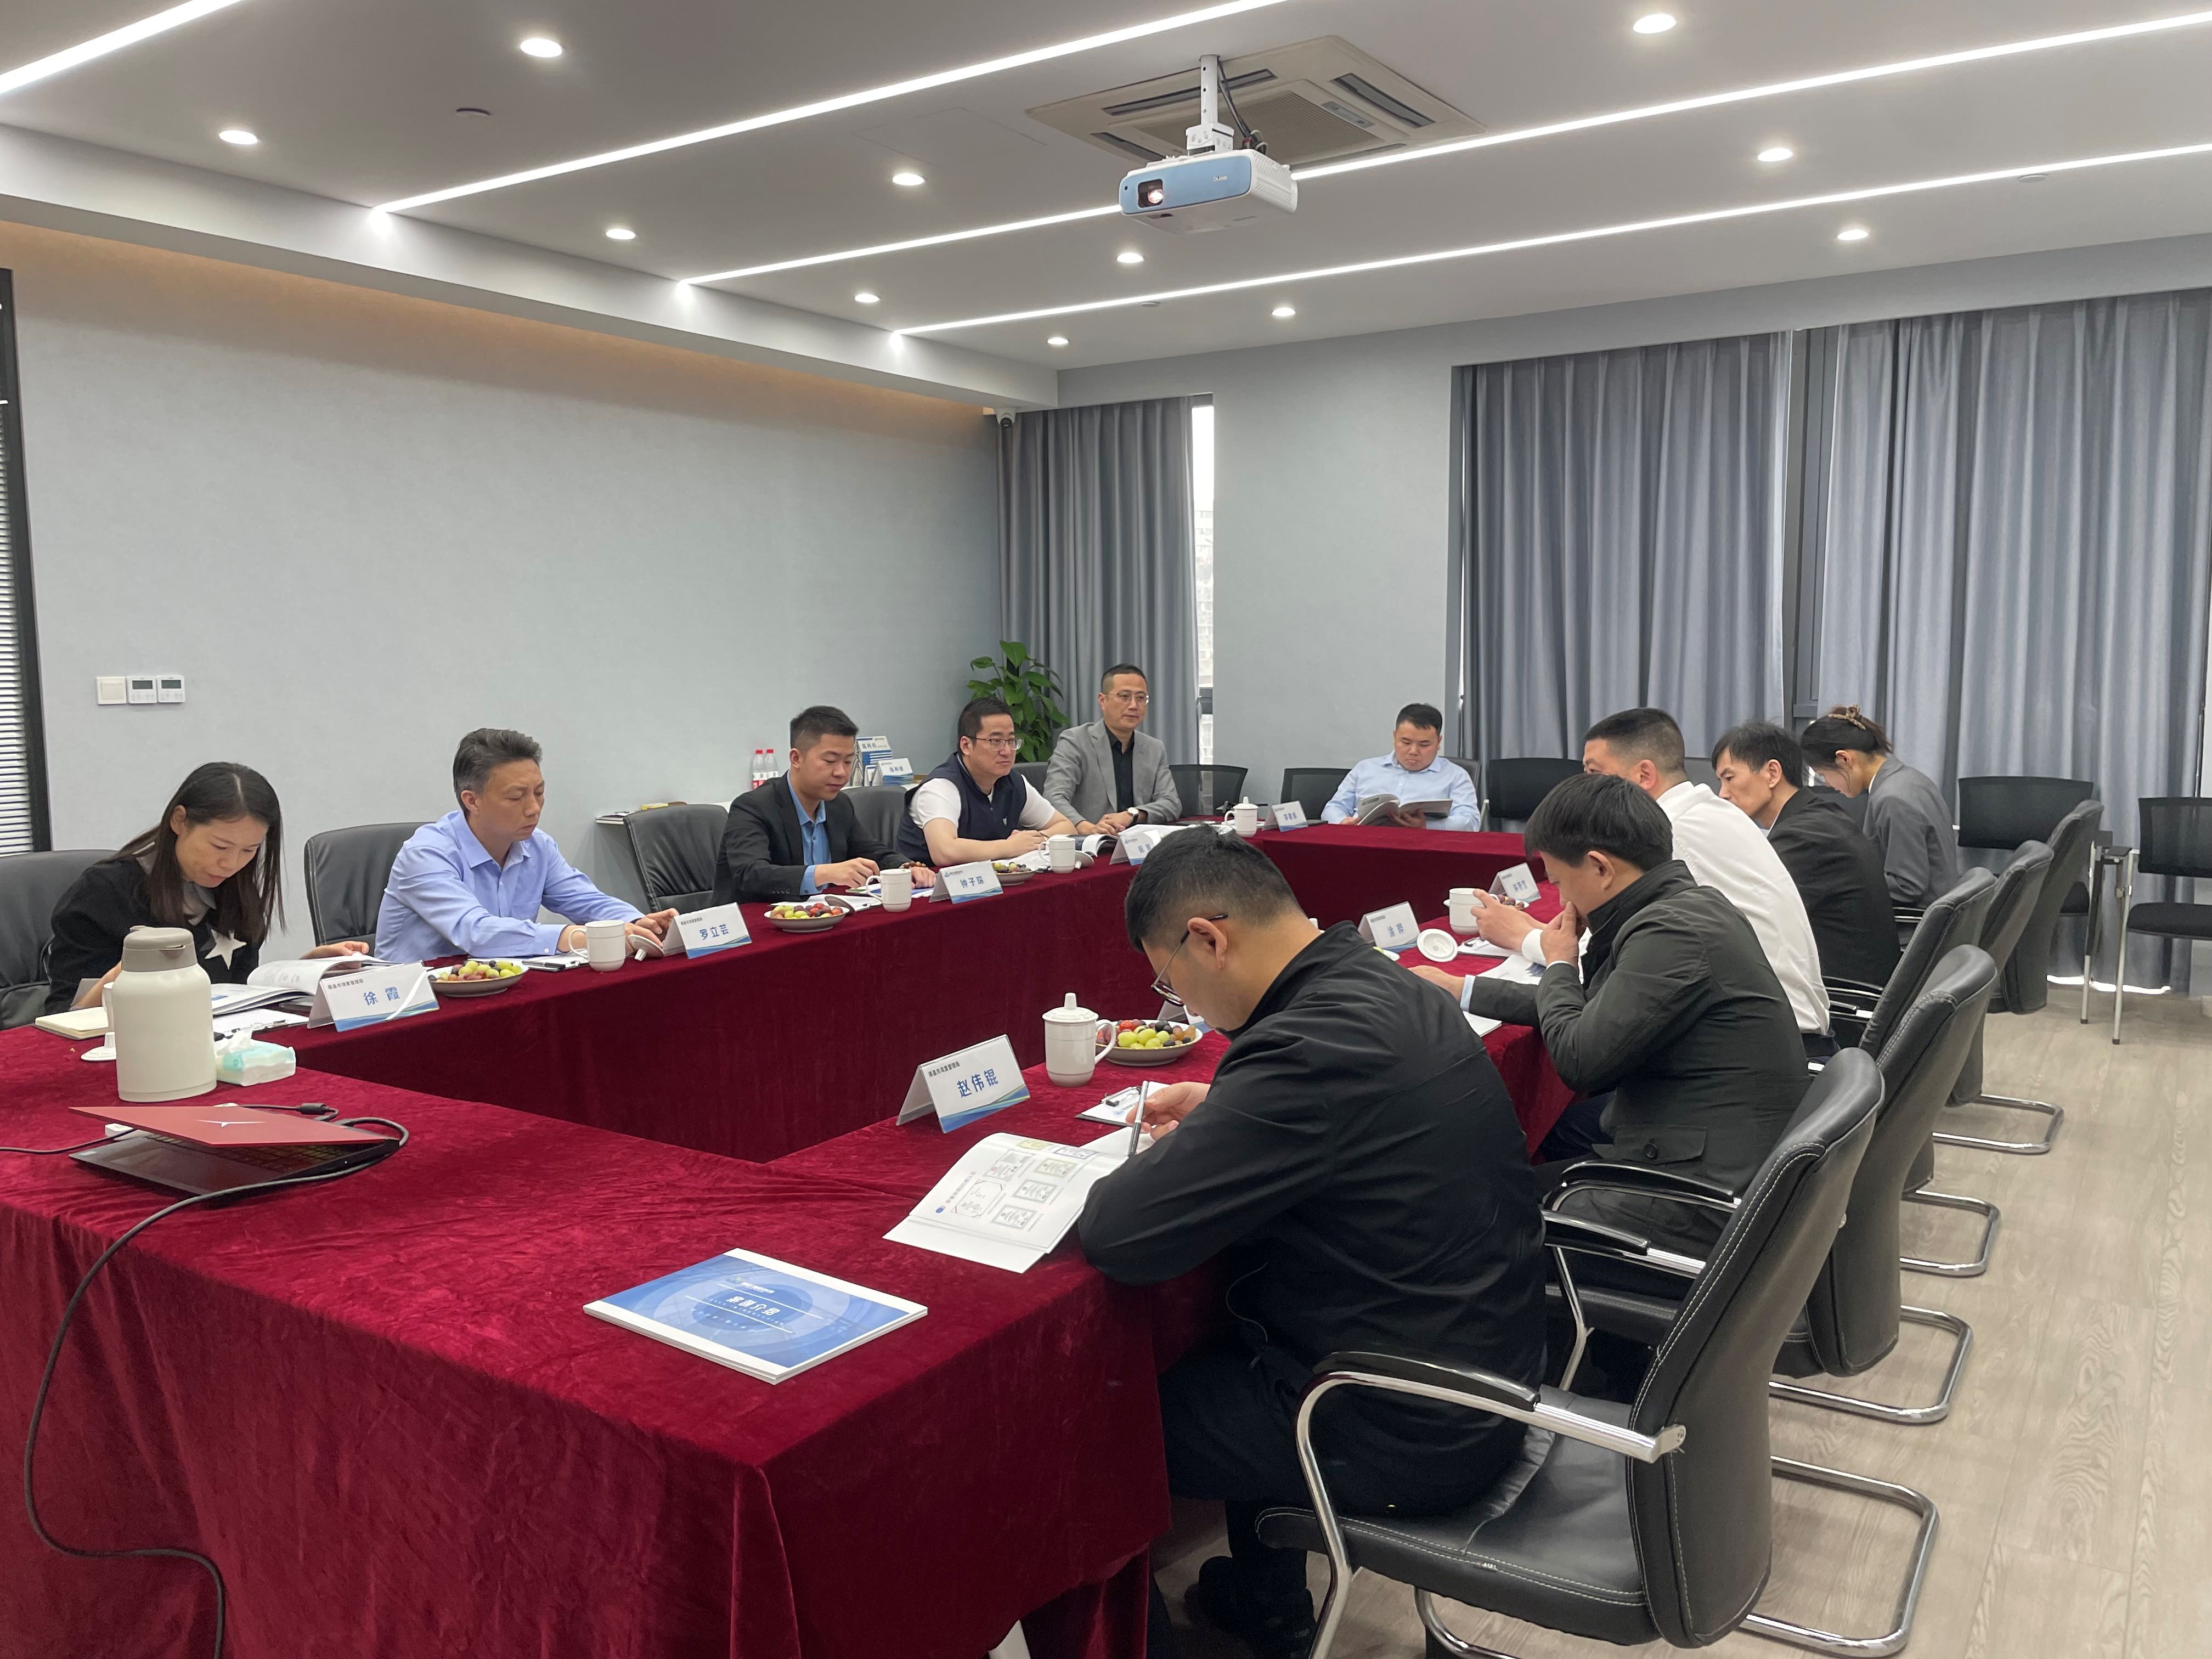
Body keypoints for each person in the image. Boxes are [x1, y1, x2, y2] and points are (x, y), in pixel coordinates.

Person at [1079, 832, 1545, 1659]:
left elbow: (1122, 1236)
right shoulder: (1386, 985)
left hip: (1398, 1423)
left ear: (1208, 939)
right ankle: (1268, 1606)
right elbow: (1341, 1119)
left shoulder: (1302, 1050)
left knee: (1084, 1427)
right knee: (1237, 1340)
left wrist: (1230, 1122)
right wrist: (1230, 1110)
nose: (1179, 1002)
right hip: (1487, 1372)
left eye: (1169, 979)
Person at [1414, 774, 1807, 1256]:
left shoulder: (1672, 933)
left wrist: (1560, 961)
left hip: (1703, 1196)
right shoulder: (1686, 906)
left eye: (1561, 882)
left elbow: (1581, 1060)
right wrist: (1462, 989)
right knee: (1515, 1171)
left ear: (1600, 867)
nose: (1561, 900)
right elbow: (1592, 1005)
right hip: (1705, 1153)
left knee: (1471, 1214)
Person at [1468, 707, 1830, 1051]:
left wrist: (1521, 937)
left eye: (1594, 774)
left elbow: (1605, 969)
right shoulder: (1708, 812)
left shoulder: (1672, 834)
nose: (1586, 788)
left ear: (1644, 776)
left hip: (1761, 1039)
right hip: (1774, 1020)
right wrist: (1540, 933)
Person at [45, 763, 366, 1014]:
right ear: (179, 821)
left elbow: (239, 993)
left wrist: (304, 973)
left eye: (249, 850)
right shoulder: (106, 891)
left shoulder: (235, 888)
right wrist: (128, 975)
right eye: (219, 846)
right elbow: (65, 1017)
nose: (231, 864)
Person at [376, 727, 674, 961]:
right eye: (516, 797)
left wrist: (637, 923)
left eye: (539, 793)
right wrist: (579, 937)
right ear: (472, 801)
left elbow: (586, 900)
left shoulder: (537, 845)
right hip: (416, 1000)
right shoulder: (426, 854)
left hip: (497, 985)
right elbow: (476, 932)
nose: (534, 808)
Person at [1711, 720, 1900, 988]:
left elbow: (1740, 918)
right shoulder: (1819, 816)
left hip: (1843, 996)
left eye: (1729, 778)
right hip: (1856, 980)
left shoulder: (1802, 838)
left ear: (1772, 773)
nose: (1722, 794)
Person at [714, 705, 936, 904]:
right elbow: (751, 874)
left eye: (848, 761)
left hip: (825, 919)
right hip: (756, 925)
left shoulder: (839, 805)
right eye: (830, 761)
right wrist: (824, 873)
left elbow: (873, 852)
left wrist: (905, 868)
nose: (841, 772)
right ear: (796, 759)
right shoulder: (753, 807)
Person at [1799, 705, 1961, 909]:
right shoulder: (1908, 779)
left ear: (1844, 759)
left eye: (1823, 775)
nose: (1828, 784)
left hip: (1914, 918)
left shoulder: (1893, 799)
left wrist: (1841, 881)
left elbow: (1907, 885)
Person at [893, 696, 1076, 867]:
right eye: (996, 741)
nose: (1007, 751)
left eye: (1011, 741)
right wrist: (1010, 847)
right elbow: (945, 852)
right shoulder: (940, 787)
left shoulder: (1013, 782)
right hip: (928, 885)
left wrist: (1037, 839)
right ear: (966, 745)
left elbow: (1067, 827)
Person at [1041, 662, 1182, 835]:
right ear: (1103, 701)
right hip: (1092, 842)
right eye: (1124, 696)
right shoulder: (1075, 742)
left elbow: (1171, 803)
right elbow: (1054, 798)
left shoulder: (1154, 748)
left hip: (1140, 842)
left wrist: (1132, 815)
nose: (1134, 705)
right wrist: (1086, 827)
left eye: (1141, 698)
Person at [1319, 703, 1481, 830]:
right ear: (1395, 736)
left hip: (1423, 848)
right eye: (1406, 742)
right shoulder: (1365, 769)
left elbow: (1471, 821)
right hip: (1363, 843)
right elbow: (1334, 807)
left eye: (1424, 745)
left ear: (1439, 742)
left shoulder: (1455, 776)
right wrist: (1341, 822)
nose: (1413, 751)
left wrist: (1428, 827)